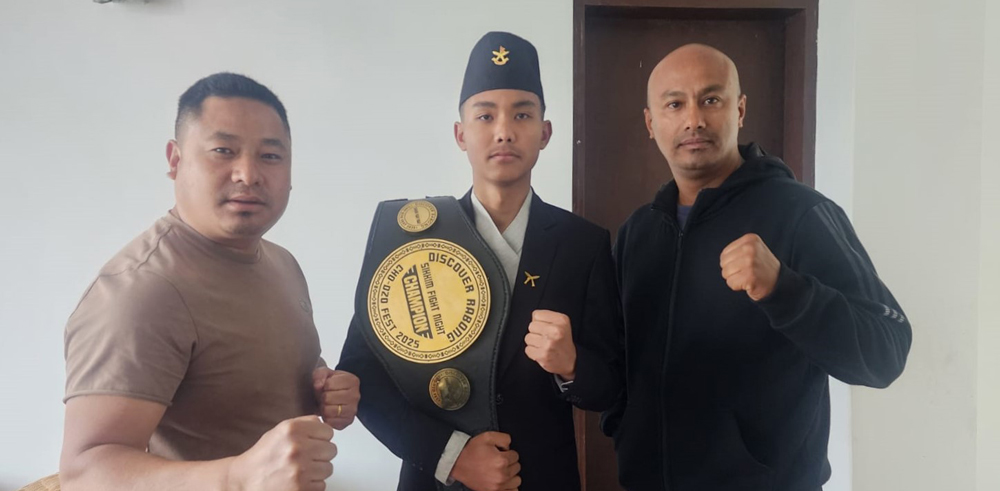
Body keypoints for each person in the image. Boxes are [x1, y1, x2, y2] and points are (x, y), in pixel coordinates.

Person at [603, 43, 913, 491]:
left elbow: (887, 351)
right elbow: (620, 361)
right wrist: (623, 427)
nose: (694, 120)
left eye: (711, 99)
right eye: (675, 104)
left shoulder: (802, 214)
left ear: (740, 110)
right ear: (651, 123)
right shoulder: (638, 232)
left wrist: (785, 290)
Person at [338, 32, 623, 491]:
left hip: (540, 478)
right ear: (461, 134)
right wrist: (451, 458)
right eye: (485, 115)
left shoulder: (582, 244)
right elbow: (363, 378)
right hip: (434, 480)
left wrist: (572, 365)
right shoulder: (413, 238)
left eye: (522, 114)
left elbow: (610, 386)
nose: (504, 131)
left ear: (545, 132)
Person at [60, 72, 361, 491]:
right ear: (175, 159)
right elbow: (84, 474)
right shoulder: (142, 291)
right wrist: (238, 476)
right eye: (223, 151)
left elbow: (254, 375)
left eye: (270, 156)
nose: (248, 174)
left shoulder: (280, 262)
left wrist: (324, 385)